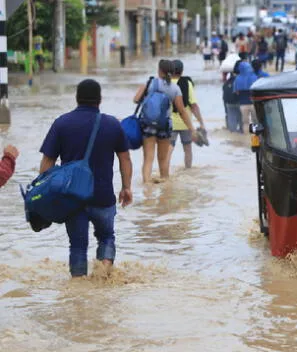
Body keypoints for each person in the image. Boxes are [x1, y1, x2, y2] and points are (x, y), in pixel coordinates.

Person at [39, 79, 133, 277]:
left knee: (78, 247)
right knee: (106, 237)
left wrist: (44, 193)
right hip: (103, 197)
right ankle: (104, 274)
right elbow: (125, 158)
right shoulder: (112, 124)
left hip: (73, 199)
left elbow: (47, 161)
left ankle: (79, 293)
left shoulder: (62, 123)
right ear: (100, 100)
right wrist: (126, 187)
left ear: (77, 98)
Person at [133, 60, 196, 183]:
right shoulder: (175, 88)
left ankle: (147, 188)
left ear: (159, 70)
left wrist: (143, 89)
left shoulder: (150, 83)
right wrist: (191, 129)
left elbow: (136, 100)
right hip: (164, 126)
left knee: (148, 159)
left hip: (148, 125)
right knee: (162, 160)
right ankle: (165, 188)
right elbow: (182, 111)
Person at [169, 60, 205, 169]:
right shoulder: (187, 83)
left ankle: (165, 172)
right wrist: (201, 123)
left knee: (169, 149)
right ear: (182, 71)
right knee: (187, 148)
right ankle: (188, 170)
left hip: (169, 123)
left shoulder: (166, 83)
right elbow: (193, 105)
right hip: (186, 122)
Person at [234, 61, 258, 133]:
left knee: (245, 123)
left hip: (243, 104)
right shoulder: (254, 77)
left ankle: (246, 138)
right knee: (255, 122)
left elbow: (236, 92)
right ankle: (256, 137)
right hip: (253, 104)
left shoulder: (237, 79)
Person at [223, 60, 243, 133]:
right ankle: (241, 133)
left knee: (231, 118)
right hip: (238, 102)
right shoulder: (240, 79)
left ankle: (232, 134)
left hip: (228, 102)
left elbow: (224, 91)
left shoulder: (228, 79)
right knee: (241, 118)